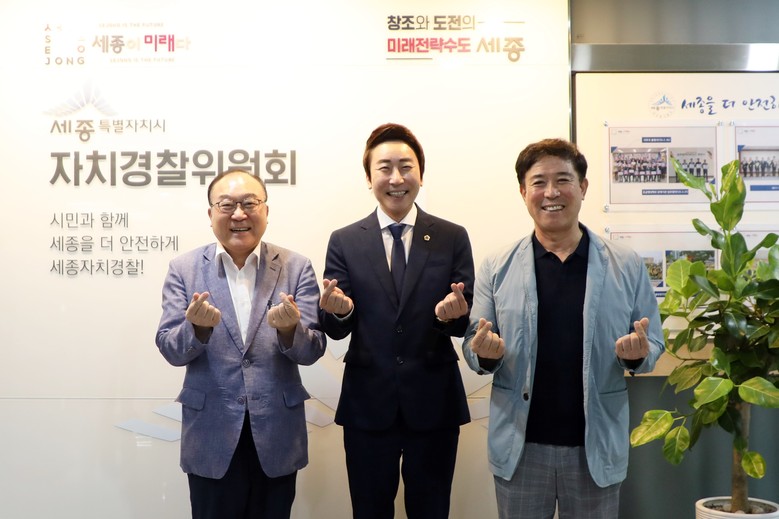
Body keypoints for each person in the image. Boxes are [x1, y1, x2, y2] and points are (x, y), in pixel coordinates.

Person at [462, 138, 664, 519]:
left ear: (583, 187)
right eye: (539, 182)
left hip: (594, 447)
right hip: (520, 447)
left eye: (563, 180)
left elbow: (653, 342)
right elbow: (474, 344)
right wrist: (483, 354)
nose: (551, 193)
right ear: (523, 192)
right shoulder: (497, 265)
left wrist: (638, 355)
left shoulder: (625, 264)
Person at [318, 123, 474, 519]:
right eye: (384, 168)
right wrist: (339, 309)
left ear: (421, 173)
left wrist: (450, 316)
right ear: (369, 177)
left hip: (433, 399)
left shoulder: (451, 236)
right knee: (369, 510)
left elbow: (463, 321)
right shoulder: (345, 240)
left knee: (432, 509)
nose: (396, 178)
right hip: (368, 401)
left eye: (406, 167)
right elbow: (335, 326)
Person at [155, 167, 326, 519]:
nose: (238, 214)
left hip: (276, 432)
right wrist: (196, 329)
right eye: (227, 205)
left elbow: (313, 349)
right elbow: (170, 347)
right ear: (210, 214)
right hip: (211, 432)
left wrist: (290, 331)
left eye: (249, 203)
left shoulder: (297, 267)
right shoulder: (184, 268)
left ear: (266, 211)